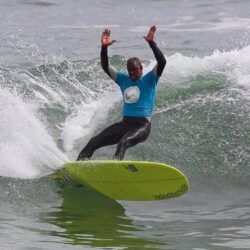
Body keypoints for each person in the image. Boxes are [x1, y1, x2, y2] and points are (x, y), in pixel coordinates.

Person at [77, 25, 166, 161]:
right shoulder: (124, 80)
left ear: (141, 69)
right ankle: (79, 166)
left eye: (135, 70)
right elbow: (106, 66)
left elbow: (162, 61)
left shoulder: (150, 79)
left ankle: (115, 170)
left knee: (123, 142)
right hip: (125, 124)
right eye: (129, 70)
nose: (132, 73)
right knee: (94, 141)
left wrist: (151, 43)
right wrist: (104, 47)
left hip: (142, 126)